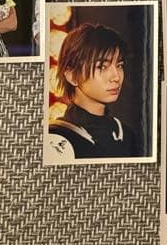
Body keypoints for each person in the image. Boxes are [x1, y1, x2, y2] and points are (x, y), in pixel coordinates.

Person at [48, 22, 140, 159]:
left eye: (119, 65)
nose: (116, 77)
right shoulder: (57, 138)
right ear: (72, 76)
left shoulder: (127, 135)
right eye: (102, 67)